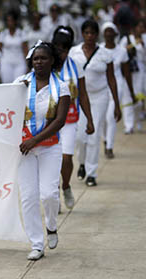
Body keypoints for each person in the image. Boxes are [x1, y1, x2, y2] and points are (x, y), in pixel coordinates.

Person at [16, 41, 71, 260]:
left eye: (43, 58)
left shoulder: (62, 87)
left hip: (49, 147)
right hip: (25, 149)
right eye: (36, 58)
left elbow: (59, 121)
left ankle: (51, 225)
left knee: (48, 194)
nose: (39, 62)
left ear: (52, 61)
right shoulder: (20, 83)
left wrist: (34, 140)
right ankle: (37, 244)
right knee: (28, 197)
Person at [69, 19, 121, 187]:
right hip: (79, 98)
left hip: (100, 97)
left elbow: (111, 79)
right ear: (82, 34)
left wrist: (117, 103)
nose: (90, 36)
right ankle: (82, 163)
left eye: (92, 33)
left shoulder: (105, 54)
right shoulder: (73, 52)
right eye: (87, 33)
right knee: (79, 137)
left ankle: (91, 172)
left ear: (96, 35)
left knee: (94, 134)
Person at [51, 26, 95, 210]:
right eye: (58, 48)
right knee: (52, 159)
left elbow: (83, 94)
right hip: (49, 120)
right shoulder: (46, 63)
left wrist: (90, 119)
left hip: (69, 119)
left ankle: (66, 186)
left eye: (64, 49)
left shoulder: (75, 65)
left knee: (66, 158)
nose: (61, 52)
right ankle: (54, 194)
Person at [101, 22, 136, 158]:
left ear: (115, 34)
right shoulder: (99, 50)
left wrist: (131, 92)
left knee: (111, 117)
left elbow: (127, 73)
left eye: (111, 31)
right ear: (103, 34)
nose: (109, 34)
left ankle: (109, 147)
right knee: (102, 118)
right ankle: (105, 139)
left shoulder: (122, 51)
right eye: (106, 31)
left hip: (117, 85)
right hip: (101, 86)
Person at [0, 9, 29, 83]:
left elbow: (25, 49)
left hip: (19, 62)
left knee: (18, 83)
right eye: (8, 21)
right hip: (6, 62)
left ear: (15, 21)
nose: (10, 23)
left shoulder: (21, 33)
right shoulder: (3, 34)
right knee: (6, 83)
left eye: (11, 20)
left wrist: (28, 64)